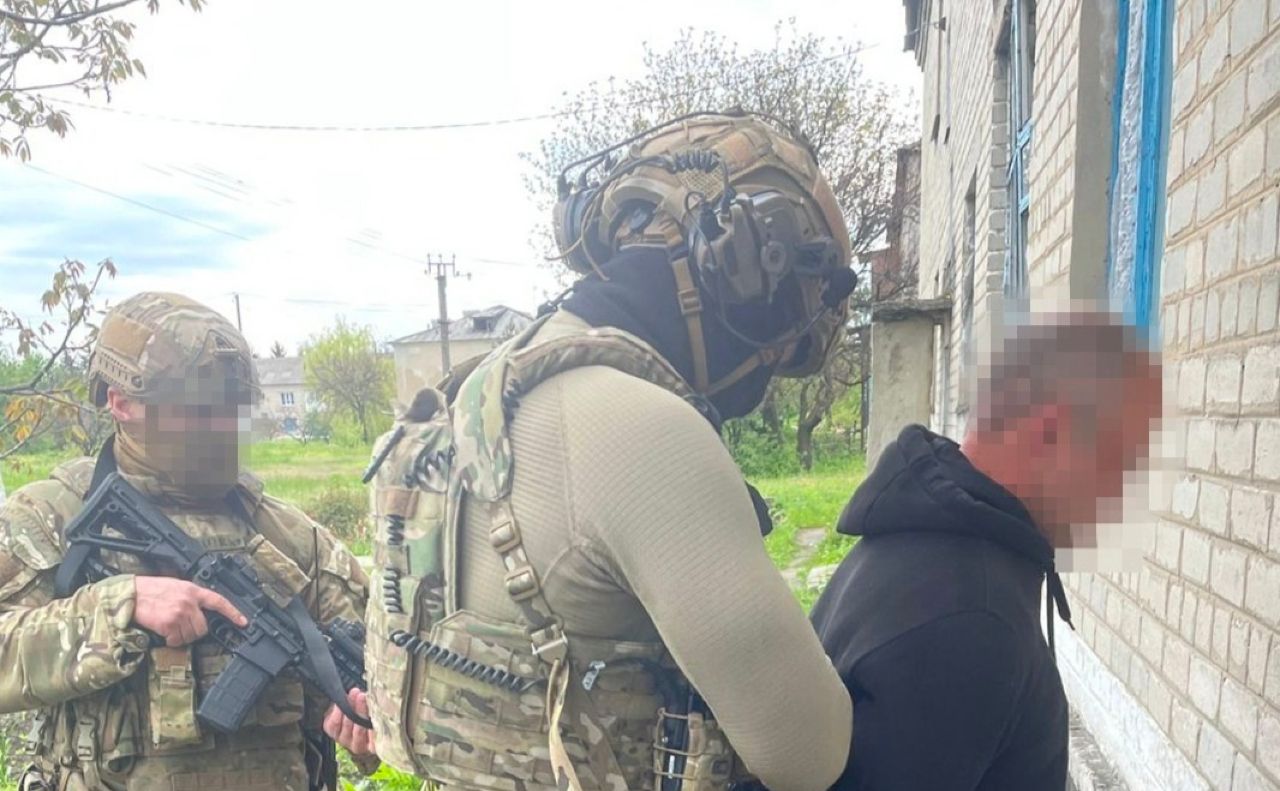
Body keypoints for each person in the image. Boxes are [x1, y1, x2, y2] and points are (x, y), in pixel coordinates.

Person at [354, 112, 855, 791]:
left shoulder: (466, 394)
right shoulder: (644, 429)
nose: (776, 359)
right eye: (790, 324)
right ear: (748, 269)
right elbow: (808, 751)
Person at [0, 292, 373, 791]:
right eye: (198, 411)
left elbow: (374, 671)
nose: (221, 429)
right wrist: (119, 607)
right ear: (121, 402)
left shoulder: (289, 535)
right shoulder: (50, 517)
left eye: (231, 410)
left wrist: (367, 723)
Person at [810, 311, 1163, 791]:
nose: (1124, 495)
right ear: (1052, 432)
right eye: (1121, 462)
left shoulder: (921, 536)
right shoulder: (972, 617)